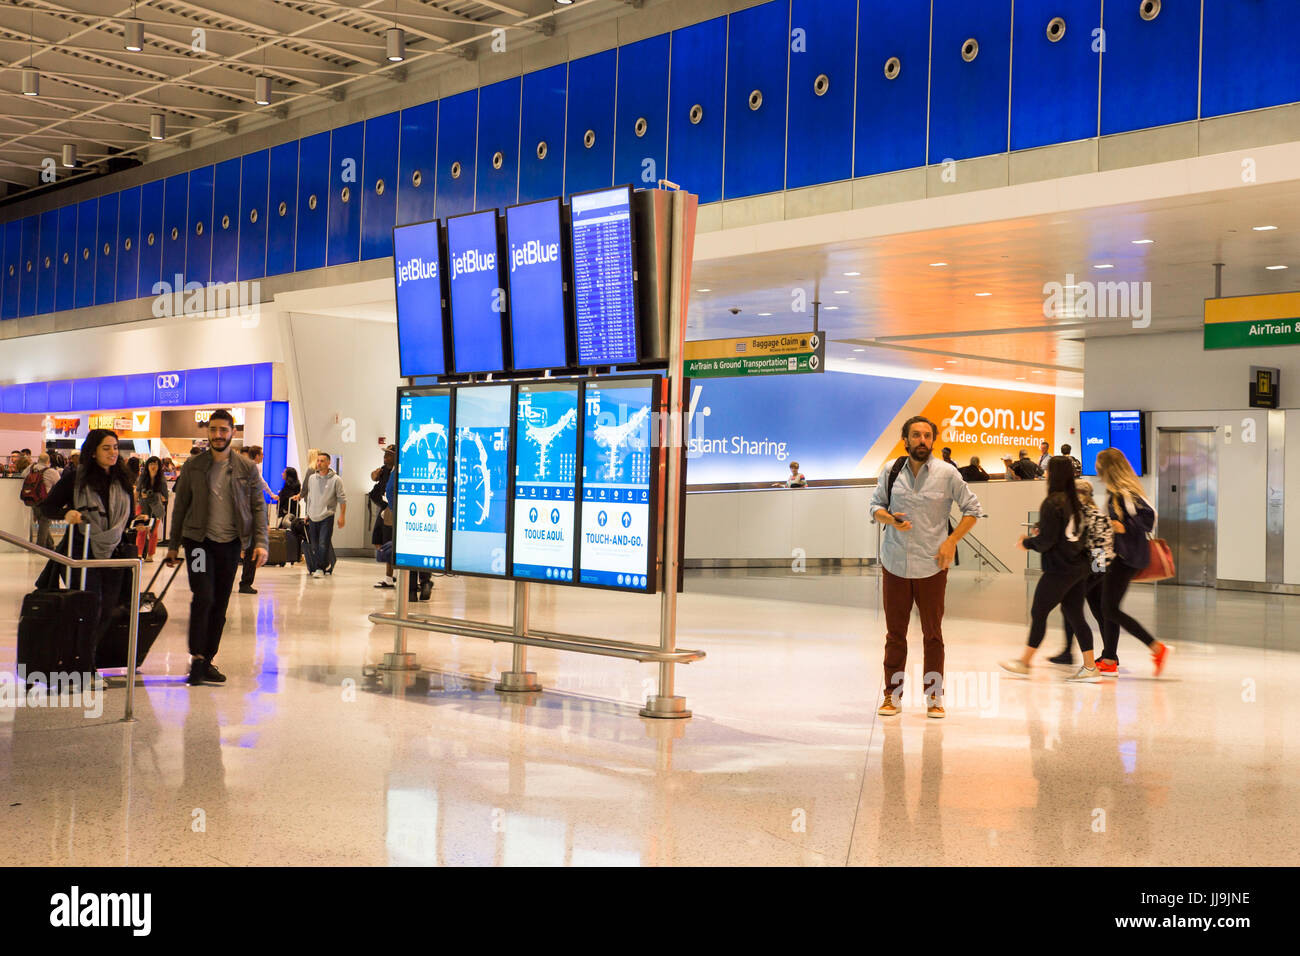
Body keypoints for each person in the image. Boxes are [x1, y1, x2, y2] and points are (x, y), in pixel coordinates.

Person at [869, 416, 982, 719]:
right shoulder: (891, 471)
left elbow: (973, 510)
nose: (922, 440)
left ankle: (934, 696)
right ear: (905, 439)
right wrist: (890, 519)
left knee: (933, 634)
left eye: (927, 436)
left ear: (933, 440)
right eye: (916, 435)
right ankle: (892, 696)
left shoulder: (947, 474)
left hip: (933, 565)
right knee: (895, 635)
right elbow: (875, 507)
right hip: (895, 562)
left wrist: (952, 540)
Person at [164, 409, 269, 687]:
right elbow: (181, 507)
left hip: (230, 545)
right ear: (208, 432)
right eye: (213, 430)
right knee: (203, 595)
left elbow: (259, 507)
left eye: (223, 430)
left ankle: (207, 658)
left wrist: (261, 542)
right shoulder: (193, 466)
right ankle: (197, 657)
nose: (218, 435)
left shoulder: (247, 468)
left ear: (232, 433)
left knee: (220, 602)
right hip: (198, 543)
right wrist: (173, 545)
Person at [38, 430, 142, 685]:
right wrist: (68, 512)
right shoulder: (75, 478)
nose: (113, 452)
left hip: (112, 553)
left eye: (116, 447)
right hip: (81, 552)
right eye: (107, 448)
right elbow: (47, 507)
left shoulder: (123, 480)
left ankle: (84, 660)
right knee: (87, 609)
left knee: (106, 610)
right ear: (93, 450)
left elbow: (124, 515)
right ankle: (84, 668)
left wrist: (135, 522)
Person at [998, 458, 1101, 682]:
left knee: (1039, 612)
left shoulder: (1053, 502)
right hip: (1078, 567)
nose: (1044, 472)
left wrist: (1026, 543)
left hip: (1059, 569)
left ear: (1053, 474)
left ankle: (1025, 662)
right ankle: (1090, 667)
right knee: (1075, 615)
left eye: (1047, 470)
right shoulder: (1076, 502)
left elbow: (1047, 541)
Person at [1094, 448, 1171, 677]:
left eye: (1099, 465)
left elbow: (1150, 517)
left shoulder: (1124, 493)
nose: (1097, 470)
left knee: (1108, 608)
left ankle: (1155, 647)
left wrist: (1125, 527)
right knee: (1109, 608)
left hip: (1126, 558)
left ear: (1108, 468)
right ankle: (1109, 658)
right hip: (1121, 557)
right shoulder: (1115, 492)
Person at [1048, 478, 1112, 666]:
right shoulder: (1098, 513)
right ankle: (1109, 653)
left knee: (1070, 606)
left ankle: (1068, 652)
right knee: (1099, 610)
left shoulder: (1080, 514)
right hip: (1099, 565)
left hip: (1085, 567)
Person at [237, 445, 278, 595]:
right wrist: (272, 494)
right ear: (257, 456)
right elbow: (262, 485)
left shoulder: (245, 469)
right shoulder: (252, 469)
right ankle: (245, 583)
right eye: (262, 454)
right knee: (250, 551)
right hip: (249, 514)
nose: (263, 457)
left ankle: (243, 582)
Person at [298, 450, 346, 579]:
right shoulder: (312, 478)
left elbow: (342, 499)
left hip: (327, 516)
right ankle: (322, 565)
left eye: (322, 461)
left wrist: (342, 516)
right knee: (314, 544)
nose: (319, 463)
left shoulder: (336, 480)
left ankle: (320, 568)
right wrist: (307, 513)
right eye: (318, 461)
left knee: (323, 543)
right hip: (313, 516)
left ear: (329, 463)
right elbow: (310, 497)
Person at [22, 452, 61, 550]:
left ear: (38, 460)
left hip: (32, 499)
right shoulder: (50, 471)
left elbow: (23, 475)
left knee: (43, 521)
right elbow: (59, 484)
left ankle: (50, 545)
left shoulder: (31, 468)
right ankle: (40, 547)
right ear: (48, 461)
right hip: (44, 500)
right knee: (45, 522)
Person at [134, 455, 169, 562]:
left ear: (159, 466)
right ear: (147, 466)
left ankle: (150, 554)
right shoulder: (142, 478)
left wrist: (156, 495)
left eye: (155, 464)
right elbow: (137, 492)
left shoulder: (162, 480)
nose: (153, 466)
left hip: (156, 508)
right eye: (151, 464)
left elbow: (165, 497)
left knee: (153, 532)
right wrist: (139, 498)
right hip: (143, 506)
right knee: (141, 530)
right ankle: (139, 554)